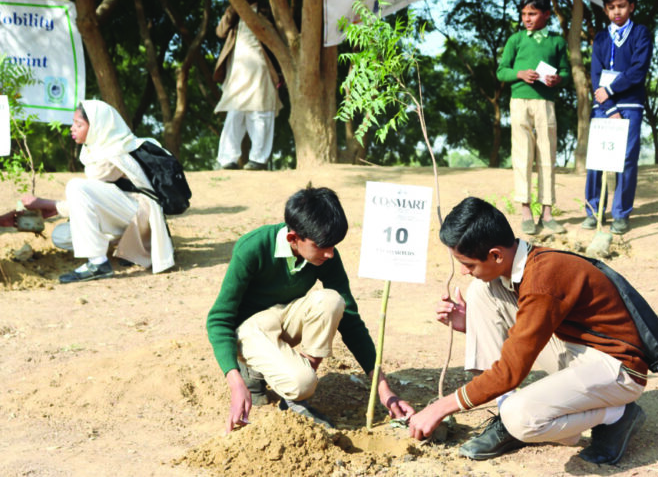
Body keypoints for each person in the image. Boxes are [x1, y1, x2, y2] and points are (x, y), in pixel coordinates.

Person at [408, 197, 648, 466]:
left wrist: (440, 407)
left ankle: (615, 415)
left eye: (469, 264)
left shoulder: (542, 279)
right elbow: (526, 332)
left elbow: (511, 370)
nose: (464, 271)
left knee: (521, 418)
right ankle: (505, 418)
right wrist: (471, 323)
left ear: (496, 255)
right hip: (578, 349)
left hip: (618, 369)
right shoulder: (521, 265)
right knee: (481, 292)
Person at [206, 186, 414, 431]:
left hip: (284, 318)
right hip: (250, 329)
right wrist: (234, 380)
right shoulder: (253, 248)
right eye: (322, 246)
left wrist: (383, 388)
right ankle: (256, 372)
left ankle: (294, 399)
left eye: (333, 245)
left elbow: (349, 317)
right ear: (293, 238)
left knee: (332, 300)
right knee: (302, 381)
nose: (329, 254)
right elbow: (219, 319)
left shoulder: (324, 254)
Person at [20, 100, 174, 283]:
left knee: (76, 186)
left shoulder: (115, 152)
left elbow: (85, 197)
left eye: (79, 124)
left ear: (97, 126)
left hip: (141, 214)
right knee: (62, 235)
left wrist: (48, 205)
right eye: (73, 123)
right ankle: (124, 247)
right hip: (124, 212)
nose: (72, 129)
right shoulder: (98, 150)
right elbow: (88, 203)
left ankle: (98, 263)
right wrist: (51, 207)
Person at [497, 0, 571, 236]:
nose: (527, 18)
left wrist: (557, 78)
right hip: (519, 102)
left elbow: (566, 72)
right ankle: (526, 211)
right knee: (522, 155)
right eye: (524, 14)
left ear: (546, 14)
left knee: (547, 154)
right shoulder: (516, 39)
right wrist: (519, 74)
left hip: (545, 103)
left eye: (532, 13)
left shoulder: (556, 41)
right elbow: (501, 71)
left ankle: (547, 212)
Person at [582, 0, 652, 235]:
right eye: (611, 7)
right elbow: (596, 72)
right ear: (605, 10)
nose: (617, 11)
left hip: (631, 104)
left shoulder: (641, 33)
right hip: (603, 105)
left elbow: (637, 70)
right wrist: (609, 105)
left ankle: (621, 213)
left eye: (622, 6)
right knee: (597, 159)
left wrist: (612, 90)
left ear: (631, 6)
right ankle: (593, 211)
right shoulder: (600, 38)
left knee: (625, 159)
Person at [213, 0, 281, 171]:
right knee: (234, 113)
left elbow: (278, 39)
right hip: (238, 71)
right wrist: (234, 8)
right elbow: (220, 32)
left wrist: (281, 72)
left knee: (261, 113)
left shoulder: (267, 10)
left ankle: (258, 159)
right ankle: (227, 159)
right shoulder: (233, 11)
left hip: (262, 69)